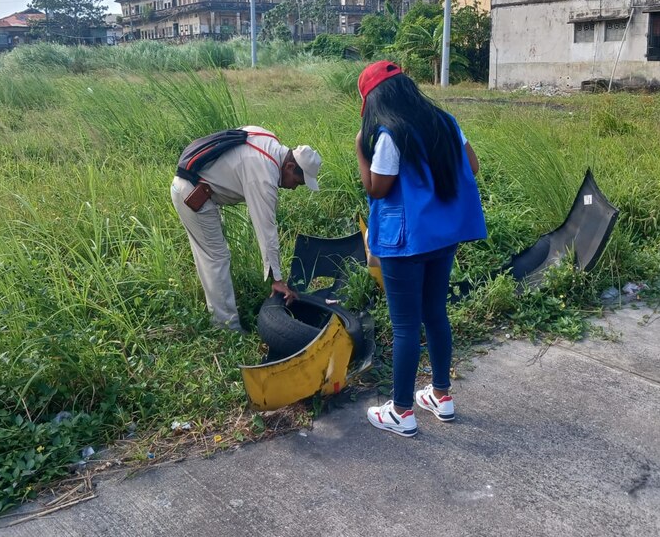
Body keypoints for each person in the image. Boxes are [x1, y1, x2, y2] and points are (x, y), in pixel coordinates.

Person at [355, 61, 487, 437]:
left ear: (374, 100)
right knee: (435, 314)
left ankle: (401, 411)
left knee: (405, 326)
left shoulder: (388, 133)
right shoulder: (445, 121)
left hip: (405, 243)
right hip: (442, 236)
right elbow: (472, 166)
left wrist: (361, 153)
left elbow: (377, 188)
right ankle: (442, 397)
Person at [171, 126, 322, 333]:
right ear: (288, 166)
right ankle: (226, 329)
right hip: (193, 194)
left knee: (214, 255)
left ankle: (222, 313)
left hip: (199, 187)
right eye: (298, 182)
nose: (295, 187)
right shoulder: (264, 175)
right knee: (216, 258)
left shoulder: (268, 139)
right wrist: (277, 280)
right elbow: (267, 231)